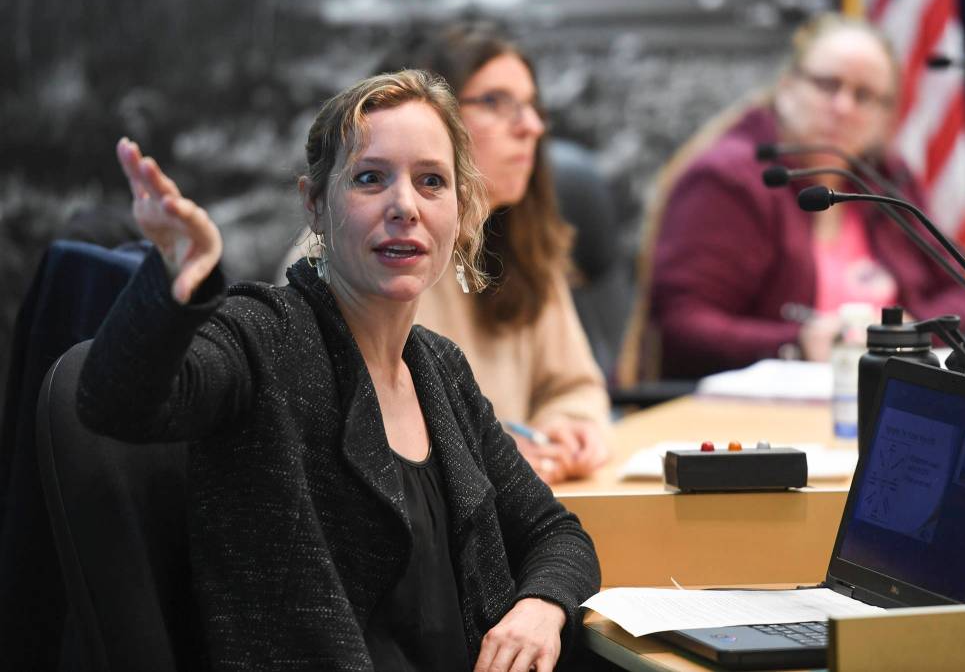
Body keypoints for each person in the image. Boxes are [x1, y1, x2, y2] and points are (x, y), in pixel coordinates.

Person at [77, 70, 599, 671]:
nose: (404, 206)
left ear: (460, 210)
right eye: (370, 179)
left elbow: (557, 534)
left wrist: (540, 608)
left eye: (432, 181)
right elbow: (113, 399)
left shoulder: (441, 373)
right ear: (315, 205)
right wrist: (174, 279)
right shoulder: (267, 335)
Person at [639, 13, 965, 380]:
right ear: (787, 87)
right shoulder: (728, 179)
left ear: (886, 117)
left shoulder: (887, 181)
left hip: (886, 395)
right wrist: (798, 343)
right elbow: (683, 325)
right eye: (827, 85)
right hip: (758, 413)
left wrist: (910, 333)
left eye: (864, 96)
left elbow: (964, 293)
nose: (843, 108)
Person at [409, 23, 612, 485]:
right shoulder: (363, 247)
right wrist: (493, 456)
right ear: (430, 118)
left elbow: (574, 386)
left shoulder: (522, 240)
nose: (532, 127)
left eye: (532, 106)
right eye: (497, 102)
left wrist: (569, 428)